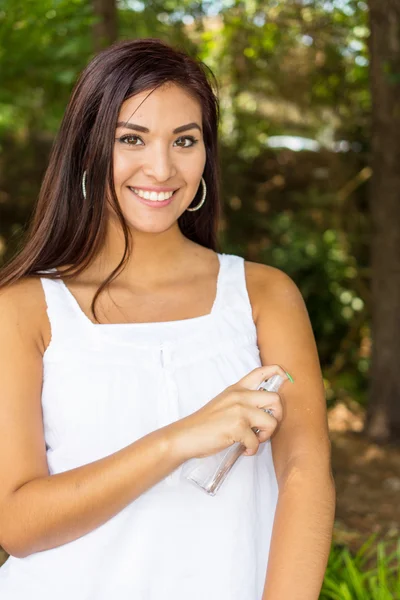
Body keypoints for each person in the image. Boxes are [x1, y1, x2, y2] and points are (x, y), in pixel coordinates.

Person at [0, 38, 335, 600]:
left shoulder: (264, 297)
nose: (161, 167)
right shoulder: (23, 309)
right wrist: (178, 440)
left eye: (185, 140)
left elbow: (305, 474)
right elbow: (18, 524)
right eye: (131, 139)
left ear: (207, 154)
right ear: (87, 150)